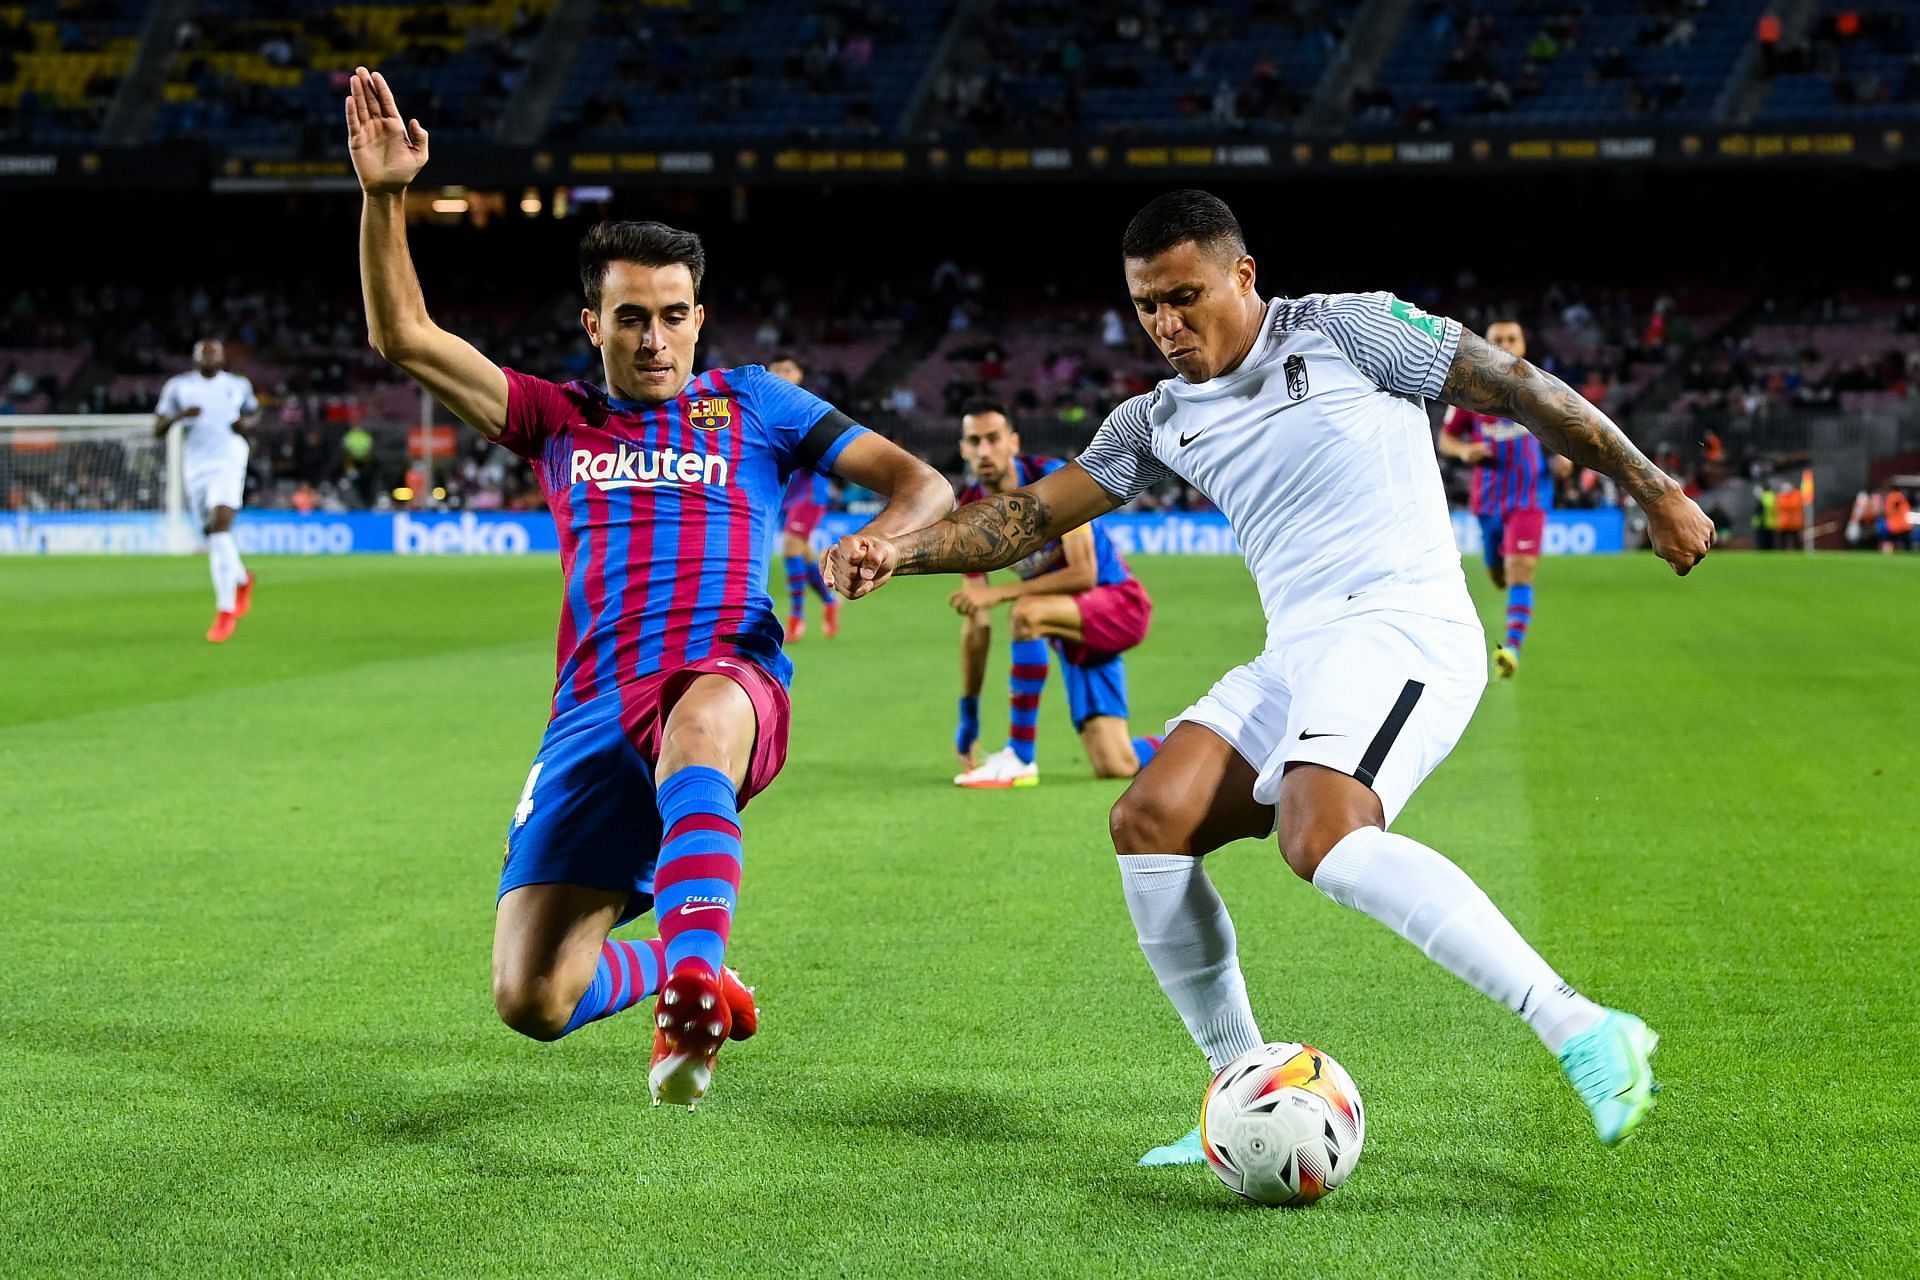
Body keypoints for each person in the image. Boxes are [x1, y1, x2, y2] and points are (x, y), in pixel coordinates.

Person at [827, 190, 1713, 1164]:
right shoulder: (1156, 417)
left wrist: (1654, 489)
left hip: (1405, 628)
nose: (1166, 323)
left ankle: (1583, 1027)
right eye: (1146, 305)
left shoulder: (1349, 327)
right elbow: (1027, 518)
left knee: (1320, 834)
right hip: (1301, 651)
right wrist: (895, 553)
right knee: (1148, 820)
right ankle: (1242, 1090)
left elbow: (1515, 382)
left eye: (1184, 295)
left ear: (1243, 275)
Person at [345, 67, 949, 1108]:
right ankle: (699, 976)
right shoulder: (552, 416)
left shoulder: (756, 403)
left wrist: (883, 540)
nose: (654, 337)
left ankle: (687, 979)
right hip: (590, 712)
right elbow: (404, 338)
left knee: (703, 710)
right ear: (594, 323)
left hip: (726, 675)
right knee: (532, 993)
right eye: (631, 317)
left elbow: (921, 482)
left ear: (701, 316)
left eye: (673, 315)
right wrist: (386, 196)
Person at [947, 402, 1160, 788]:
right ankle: (1206, 742)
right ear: (963, 449)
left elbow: (1084, 572)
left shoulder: (1053, 482)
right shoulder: (970, 514)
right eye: (974, 442)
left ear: (1013, 442)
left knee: (1026, 614)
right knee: (1115, 762)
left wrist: (1002, 594)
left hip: (1117, 604)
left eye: (993, 439)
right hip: (1071, 628)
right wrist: (969, 712)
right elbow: (976, 622)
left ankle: (1020, 757)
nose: (984, 451)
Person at [1437, 320, 1571, 677]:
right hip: (1489, 501)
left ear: (1524, 345)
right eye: (1498, 340)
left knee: (1519, 572)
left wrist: (1566, 460)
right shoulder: (1470, 393)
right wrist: (1465, 452)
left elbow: (1570, 433)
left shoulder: (1545, 391)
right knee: (1499, 574)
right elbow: (1446, 440)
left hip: (1530, 498)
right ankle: (1506, 596)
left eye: (1513, 338)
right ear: (1486, 345)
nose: (1506, 344)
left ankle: (1511, 649)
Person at [154, 338, 259, 642]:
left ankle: (225, 612)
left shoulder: (238, 385)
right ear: (195, 357)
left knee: (219, 529)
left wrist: (247, 425)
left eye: (214, 352)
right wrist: (179, 417)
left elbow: (254, 414)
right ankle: (241, 579)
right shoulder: (178, 387)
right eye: (204, 352)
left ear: (223, 357)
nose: (209, 357)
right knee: (211, 534)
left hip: (229, 457)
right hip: (195, 464)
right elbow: (157, 429)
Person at [768, 353, 839, 641]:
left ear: (799, 375)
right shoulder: (767, 406)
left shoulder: (807, 407)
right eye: (778, 369)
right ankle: (830, 602)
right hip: (786, 492)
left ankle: (796, 617)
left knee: (790, 546)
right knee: (804, 553)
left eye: (789, 369)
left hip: (809, 492)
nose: (783, 375)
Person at [1883, 484, 1913, 552]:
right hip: (1899, 525)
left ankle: (1891, 550)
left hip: (1898, 525)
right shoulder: (1896, 496)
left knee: (1900, 542)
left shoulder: (1894, 496)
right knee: (1903, 542)